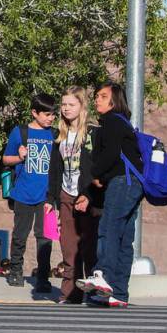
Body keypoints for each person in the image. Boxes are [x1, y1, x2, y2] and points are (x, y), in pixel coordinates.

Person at [76, 82, 144, 308]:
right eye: (96, 96)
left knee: (108, 228)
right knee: (124, 237)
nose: (97, 100)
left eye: (103, 96)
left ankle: (102, 275)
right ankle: (119, 293)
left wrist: (95, 173)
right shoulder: (123, 124)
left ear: (114, 101)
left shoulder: (112, 122)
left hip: (121, 182)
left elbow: (111, 153)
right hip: (134, 184)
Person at [48, 86, 101, 304]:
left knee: (88, 246)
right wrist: (51, 199)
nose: (66, 109)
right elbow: (55, 169)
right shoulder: (58, 134)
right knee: (68, 246)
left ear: (81, 106)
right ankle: (70, 293)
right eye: (64, 104)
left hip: (87, 196)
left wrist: (88, 194)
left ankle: (94, 292)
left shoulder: (92, 133)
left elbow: (97, 167)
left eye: (71, 104)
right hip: (65, 194)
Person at [2, 93, 56, 291]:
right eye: (47, 114)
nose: (51, 118)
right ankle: (15, 271)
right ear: (35, 113)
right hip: (23, 193)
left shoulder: (56, 134)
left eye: (53, 115)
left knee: (45, 237)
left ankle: (43, 277)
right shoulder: (20, 132)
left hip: (47, 196)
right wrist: (19, 157)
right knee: (20, 235)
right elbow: (5, 159)